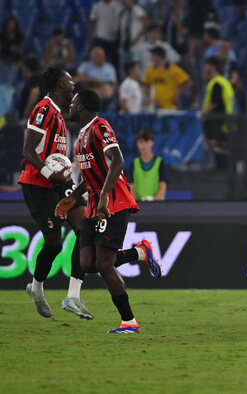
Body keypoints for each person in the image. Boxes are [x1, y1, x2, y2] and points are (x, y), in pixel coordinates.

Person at [19, 69, 158, 320]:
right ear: (60, 84)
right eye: (70, 81)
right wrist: (50, 173)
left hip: (63, 182)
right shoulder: (44, 109)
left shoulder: (65, 118)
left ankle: (73, 296)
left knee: (85, 233)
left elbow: (109, 160)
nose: (74, 85)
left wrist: (69, 184)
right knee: (54, 243)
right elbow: (28, 151)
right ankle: (37, 288)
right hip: (38, 183)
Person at [56, 89, 143, 334]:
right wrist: (72, 198)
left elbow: (117, 160)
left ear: (82, 107)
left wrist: (104, 194)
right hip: (94, 205)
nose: (70, 106)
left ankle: (129, 321)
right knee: (87, 262)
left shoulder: (100, 127)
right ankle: (140, 252)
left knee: (105, 264)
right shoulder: (81, 134)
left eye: (73, 103)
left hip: (113, 202)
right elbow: (89, 175)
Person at [201, 57, 235, 168]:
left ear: (212, 67)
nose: (204, 68)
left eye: (206, 65)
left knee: (218, 152)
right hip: (226, 123)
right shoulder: (224, 82)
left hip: (217, 124)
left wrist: (201, 115)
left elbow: (214, 103)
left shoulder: (217, 83)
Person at [130, 130, 169, 201]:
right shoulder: (134, 163)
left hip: (158, 206)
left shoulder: (160, 162)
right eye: (141, 142)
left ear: (151, 143)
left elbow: (163, 187)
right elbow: (131, 186)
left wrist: (153, 202)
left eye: (146, 141)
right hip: (139, 205)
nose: (143, 145)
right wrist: (136, 203)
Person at [86, 0, 122, 67]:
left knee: (116, 63)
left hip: (115, 39)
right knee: (99, 61)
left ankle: (113, 76)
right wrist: (89, 39)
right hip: (102, 38)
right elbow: (92, 24)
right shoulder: (97, 6)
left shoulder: (118, 5)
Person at [118, 0, 150, 70]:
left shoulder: (137, 9)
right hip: (124, 45)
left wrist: (137, 38)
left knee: (134, 68)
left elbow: (147, 23)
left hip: (136, 45)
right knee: (123, 68)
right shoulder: (122, 11)